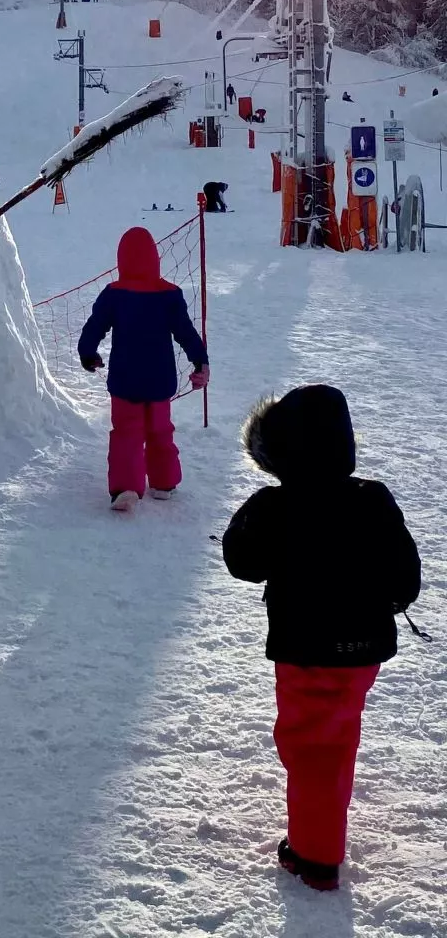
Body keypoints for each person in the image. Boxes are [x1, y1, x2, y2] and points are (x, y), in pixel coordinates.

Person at [223, 386, 421, 893]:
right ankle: (327, 819)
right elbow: (406, 579)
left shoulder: (276, 505)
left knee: (309, 747)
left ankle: (315, 856)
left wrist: (252, 515)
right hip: (363, 653)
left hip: (304, 650)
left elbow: (242, 562)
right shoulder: (372, 498)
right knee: (336, 732)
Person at [78, 227, 208, 511]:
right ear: (154, 258)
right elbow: (186, 332)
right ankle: (164, 483)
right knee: (161, 429)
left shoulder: (113, 294)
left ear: (121, 259)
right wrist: (200, 361)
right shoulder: (170, 295)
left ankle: (126, 487)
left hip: (125, 379)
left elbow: (94, 327)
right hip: (160, 379)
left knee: (126, 432)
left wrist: (88, 353)